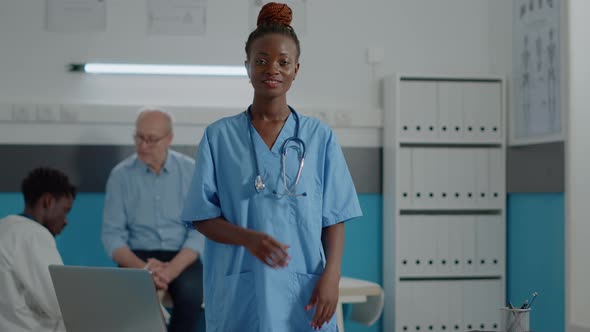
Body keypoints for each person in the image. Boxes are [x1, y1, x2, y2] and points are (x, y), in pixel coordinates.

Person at [181, 3, 362, 331]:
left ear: (296, 69)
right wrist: (246, 238)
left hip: (302, 287)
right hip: (239, 289)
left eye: (283, 61)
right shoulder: (219, 137)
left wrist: (332, 277)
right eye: (261, 61)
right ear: (247, 67)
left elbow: (334, 218)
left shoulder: (319, 137)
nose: (272, 69)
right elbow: (202, 217)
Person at [101, 108, 205, 332]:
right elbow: (112, 235)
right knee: (131, 309)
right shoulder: (120, 176)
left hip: (181, 256)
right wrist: (145, 269)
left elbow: (199, 231)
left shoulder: (190, 171)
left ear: (169, 139)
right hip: (137, 254)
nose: (143, 145)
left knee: (191, 296)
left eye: (151, 139)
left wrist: (170, 270)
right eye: (138, 137)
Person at [0, 167, 76, 332]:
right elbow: (60, 302)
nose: (65, 221)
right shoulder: (34, 234)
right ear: (48, 201)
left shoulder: (4, 227)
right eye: (65, 211)